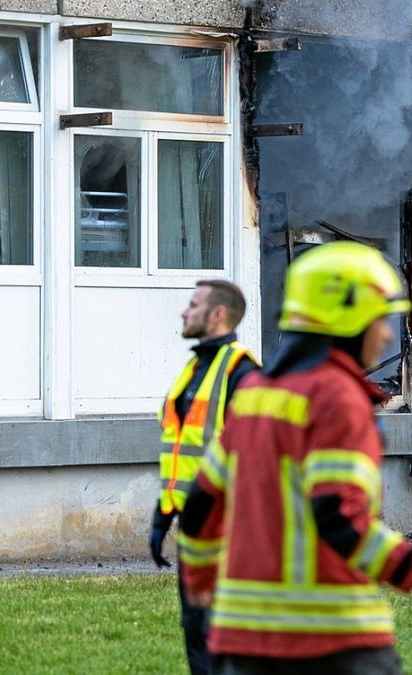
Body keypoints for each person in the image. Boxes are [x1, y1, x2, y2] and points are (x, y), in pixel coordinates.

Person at [178, 241, 412, 674]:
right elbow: (337, 516)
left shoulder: (253, 397)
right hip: (332, 646)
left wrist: (202, 582)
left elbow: (199, 508)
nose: (389, 333)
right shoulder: (337, 398)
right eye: (382, 317)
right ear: (348, 317)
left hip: (240, 645)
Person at [151, 279, 258, 675]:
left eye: (192, 305)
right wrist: (164, 515)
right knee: (197, 633)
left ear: (217, 314)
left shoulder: (243, 374)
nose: (183, 311)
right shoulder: (195, 369)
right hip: (195, 528)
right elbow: (181, 450)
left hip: (230, 532)